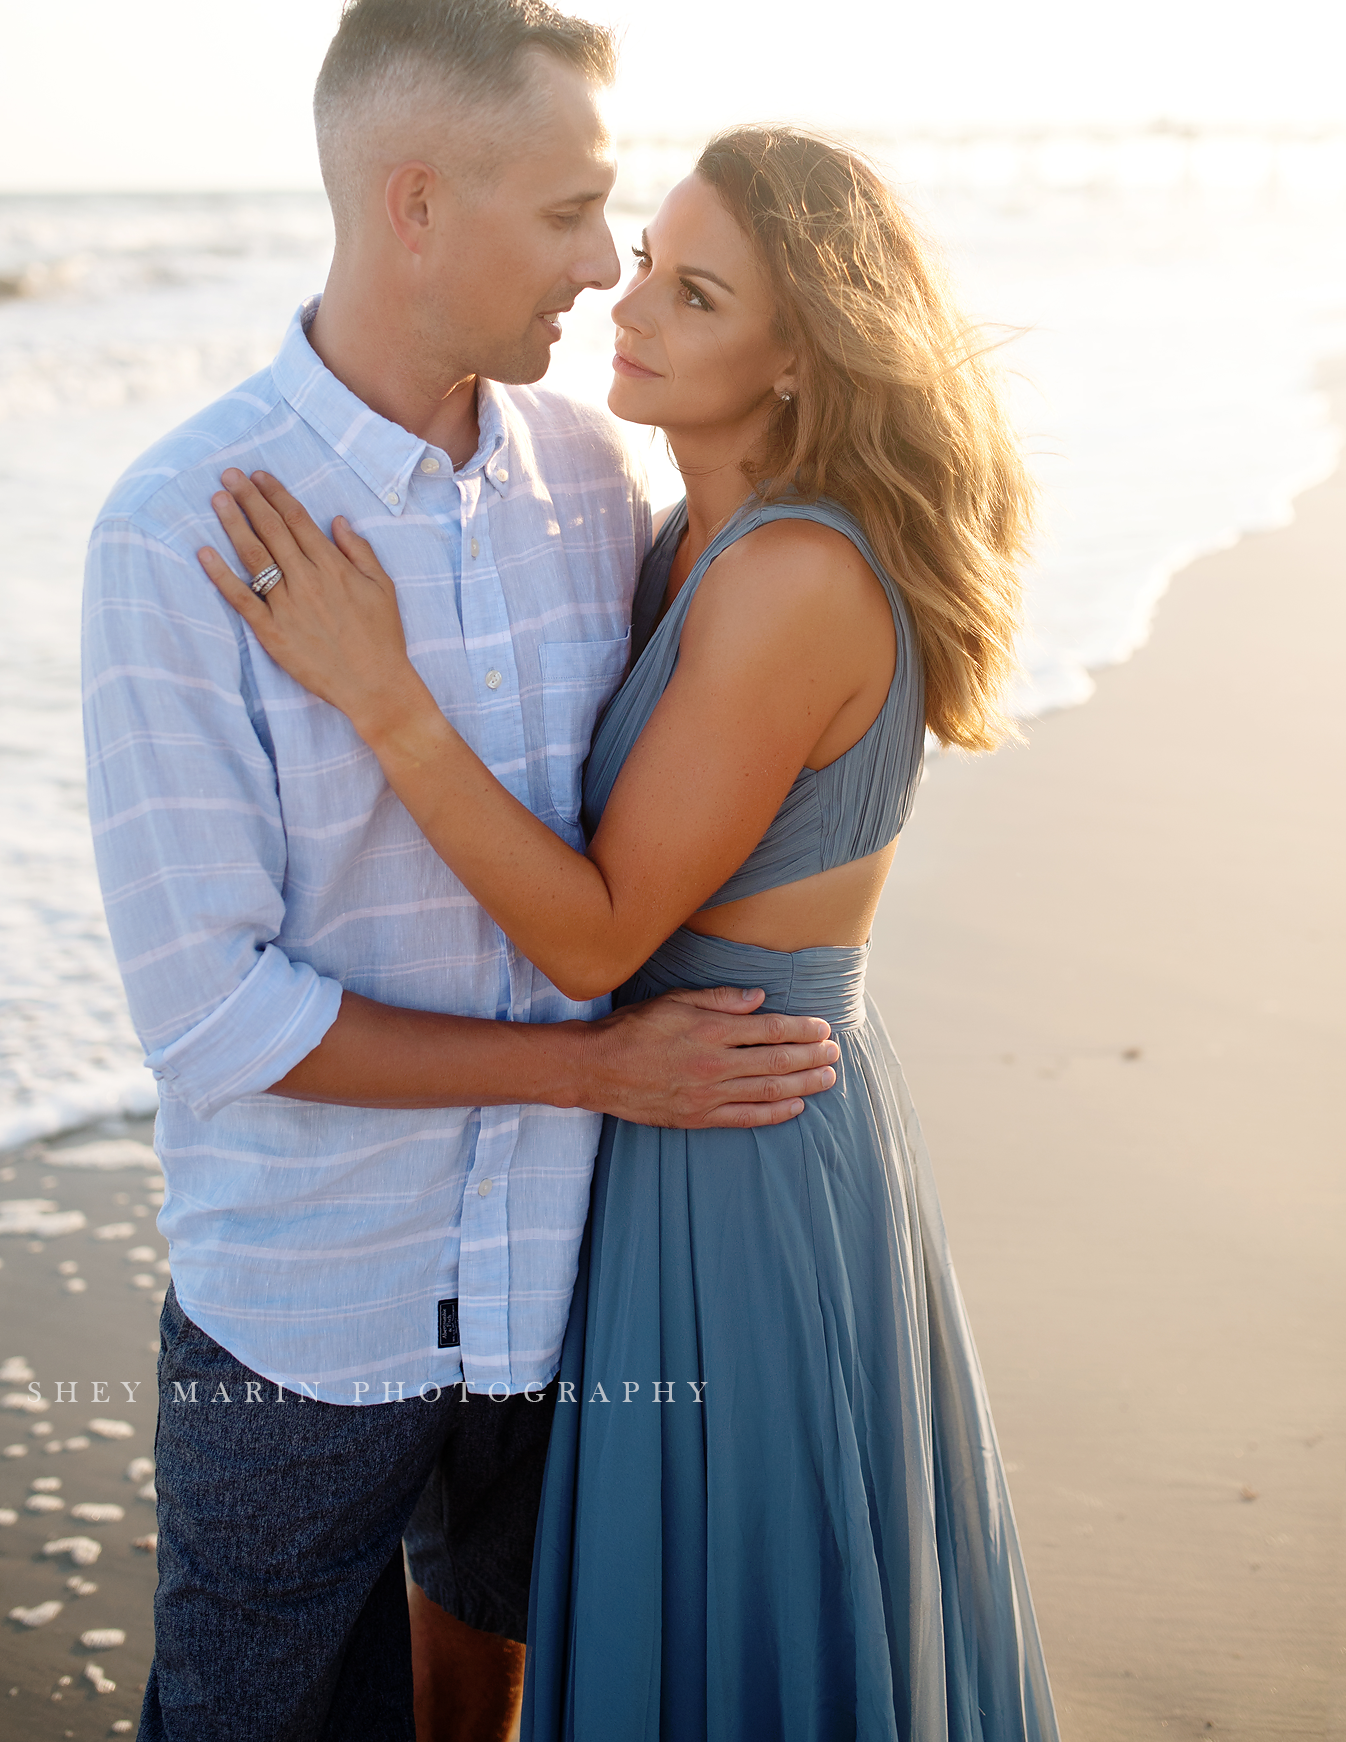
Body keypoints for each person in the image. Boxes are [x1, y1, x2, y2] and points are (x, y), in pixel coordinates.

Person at [203, 126, 1061, 1740]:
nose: (629, 298)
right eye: (647, 256)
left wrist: (378, 692)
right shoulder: (684, 537)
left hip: (737, 1141)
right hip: (669, 1114)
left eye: (693, 288)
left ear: (800, 356)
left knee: (745, 1625)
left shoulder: (792, 574)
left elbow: (599, 936)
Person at [81, 0, 843, 1742]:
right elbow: (210, 1016)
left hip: (571, 1280)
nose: (604, 266)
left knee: (480, 1707)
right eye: (574, 212)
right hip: (311, 1316)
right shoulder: (180, 529)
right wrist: (597, 1067)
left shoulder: (598, 479)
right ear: (417, 201)